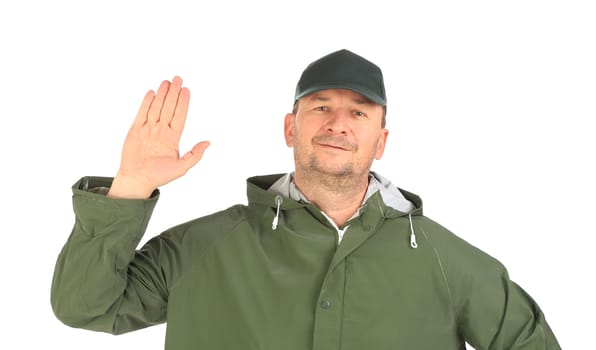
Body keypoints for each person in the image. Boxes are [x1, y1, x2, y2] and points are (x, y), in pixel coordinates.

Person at [51, 49, 561, 349]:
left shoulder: (444, 261)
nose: (339, 122)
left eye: (360, 112)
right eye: (322, 106)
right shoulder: (202, 248)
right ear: (292, 127)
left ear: (380, 141)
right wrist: (130, 187)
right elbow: (84, 307)